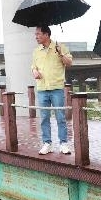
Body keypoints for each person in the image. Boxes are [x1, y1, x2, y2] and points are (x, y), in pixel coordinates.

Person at [31, 25, 73, 155]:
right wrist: (34, 71)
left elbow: (69, 62)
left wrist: (60, 53)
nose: (36, 36)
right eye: (36, 34)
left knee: (60, 116)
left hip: (56, 88)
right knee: (44, 117)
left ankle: (63, 143)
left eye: (38, 34)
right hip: (42, 88)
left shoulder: (59, 47)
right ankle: (47, 143)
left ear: (46, 35)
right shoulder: (36, 51)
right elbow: (33, 66)